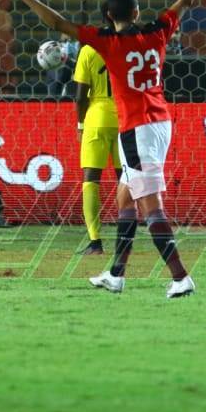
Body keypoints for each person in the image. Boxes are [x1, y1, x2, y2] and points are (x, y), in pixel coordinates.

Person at [7, 0, 206, 298]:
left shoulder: (105, 42)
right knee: (124, 199)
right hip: (160, 121)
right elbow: (185, 1)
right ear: (136, 12)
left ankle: (181, 276)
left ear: (108, 16)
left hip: (137, 128)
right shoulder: (157, 31)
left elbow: (57, 22)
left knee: (150, 205)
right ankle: (116, 274)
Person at [73, 33, 121, 255]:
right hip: (125, 118)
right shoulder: (127, 49)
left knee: (91, 178)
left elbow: (80, 96)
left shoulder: (88, 51)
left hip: (96, 118)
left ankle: (95, 242)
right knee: (125, 179)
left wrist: (80, 124)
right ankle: (126, 237)